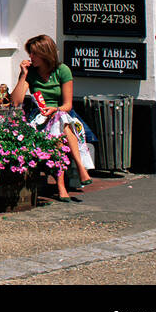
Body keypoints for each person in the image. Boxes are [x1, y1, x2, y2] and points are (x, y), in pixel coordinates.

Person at [11, 34, 94, 200]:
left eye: (34, 54)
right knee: (59, 130)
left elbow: (67, 104)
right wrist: (23, 75)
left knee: (60, 122)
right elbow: (15, 101)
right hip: (39, 116)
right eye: (30, 53)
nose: (30, 57)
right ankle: (79, 169)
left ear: (45, 54)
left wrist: (54, 109)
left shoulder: (62, 70)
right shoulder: (32, 73)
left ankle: (62, 185)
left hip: (63, 114)